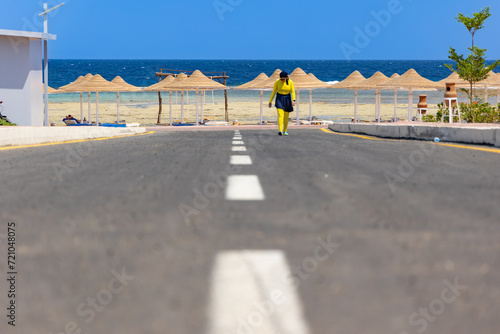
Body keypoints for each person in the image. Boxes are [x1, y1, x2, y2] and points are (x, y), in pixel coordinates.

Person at [268, 71, 296, 136]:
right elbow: (273, 92)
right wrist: (270, 101)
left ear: (286, 77)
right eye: (281, 79)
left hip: (287, 99)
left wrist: (293, 100)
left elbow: (293, 92)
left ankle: (285, 131)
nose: (282, 80)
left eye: (283, 79)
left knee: (286, 116)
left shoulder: (290, 82)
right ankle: (280, 130)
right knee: (280, 115)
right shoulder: (277, 81)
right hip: (279, 98)